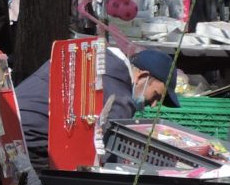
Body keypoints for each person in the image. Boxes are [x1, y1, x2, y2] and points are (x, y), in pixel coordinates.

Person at [12, 45, 174, 164]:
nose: (153, 105)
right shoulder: (119, 96)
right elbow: (106, 151)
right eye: (156, 96)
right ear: (142, 76)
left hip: (12, 120)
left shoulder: (100, 58)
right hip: (31, 139)